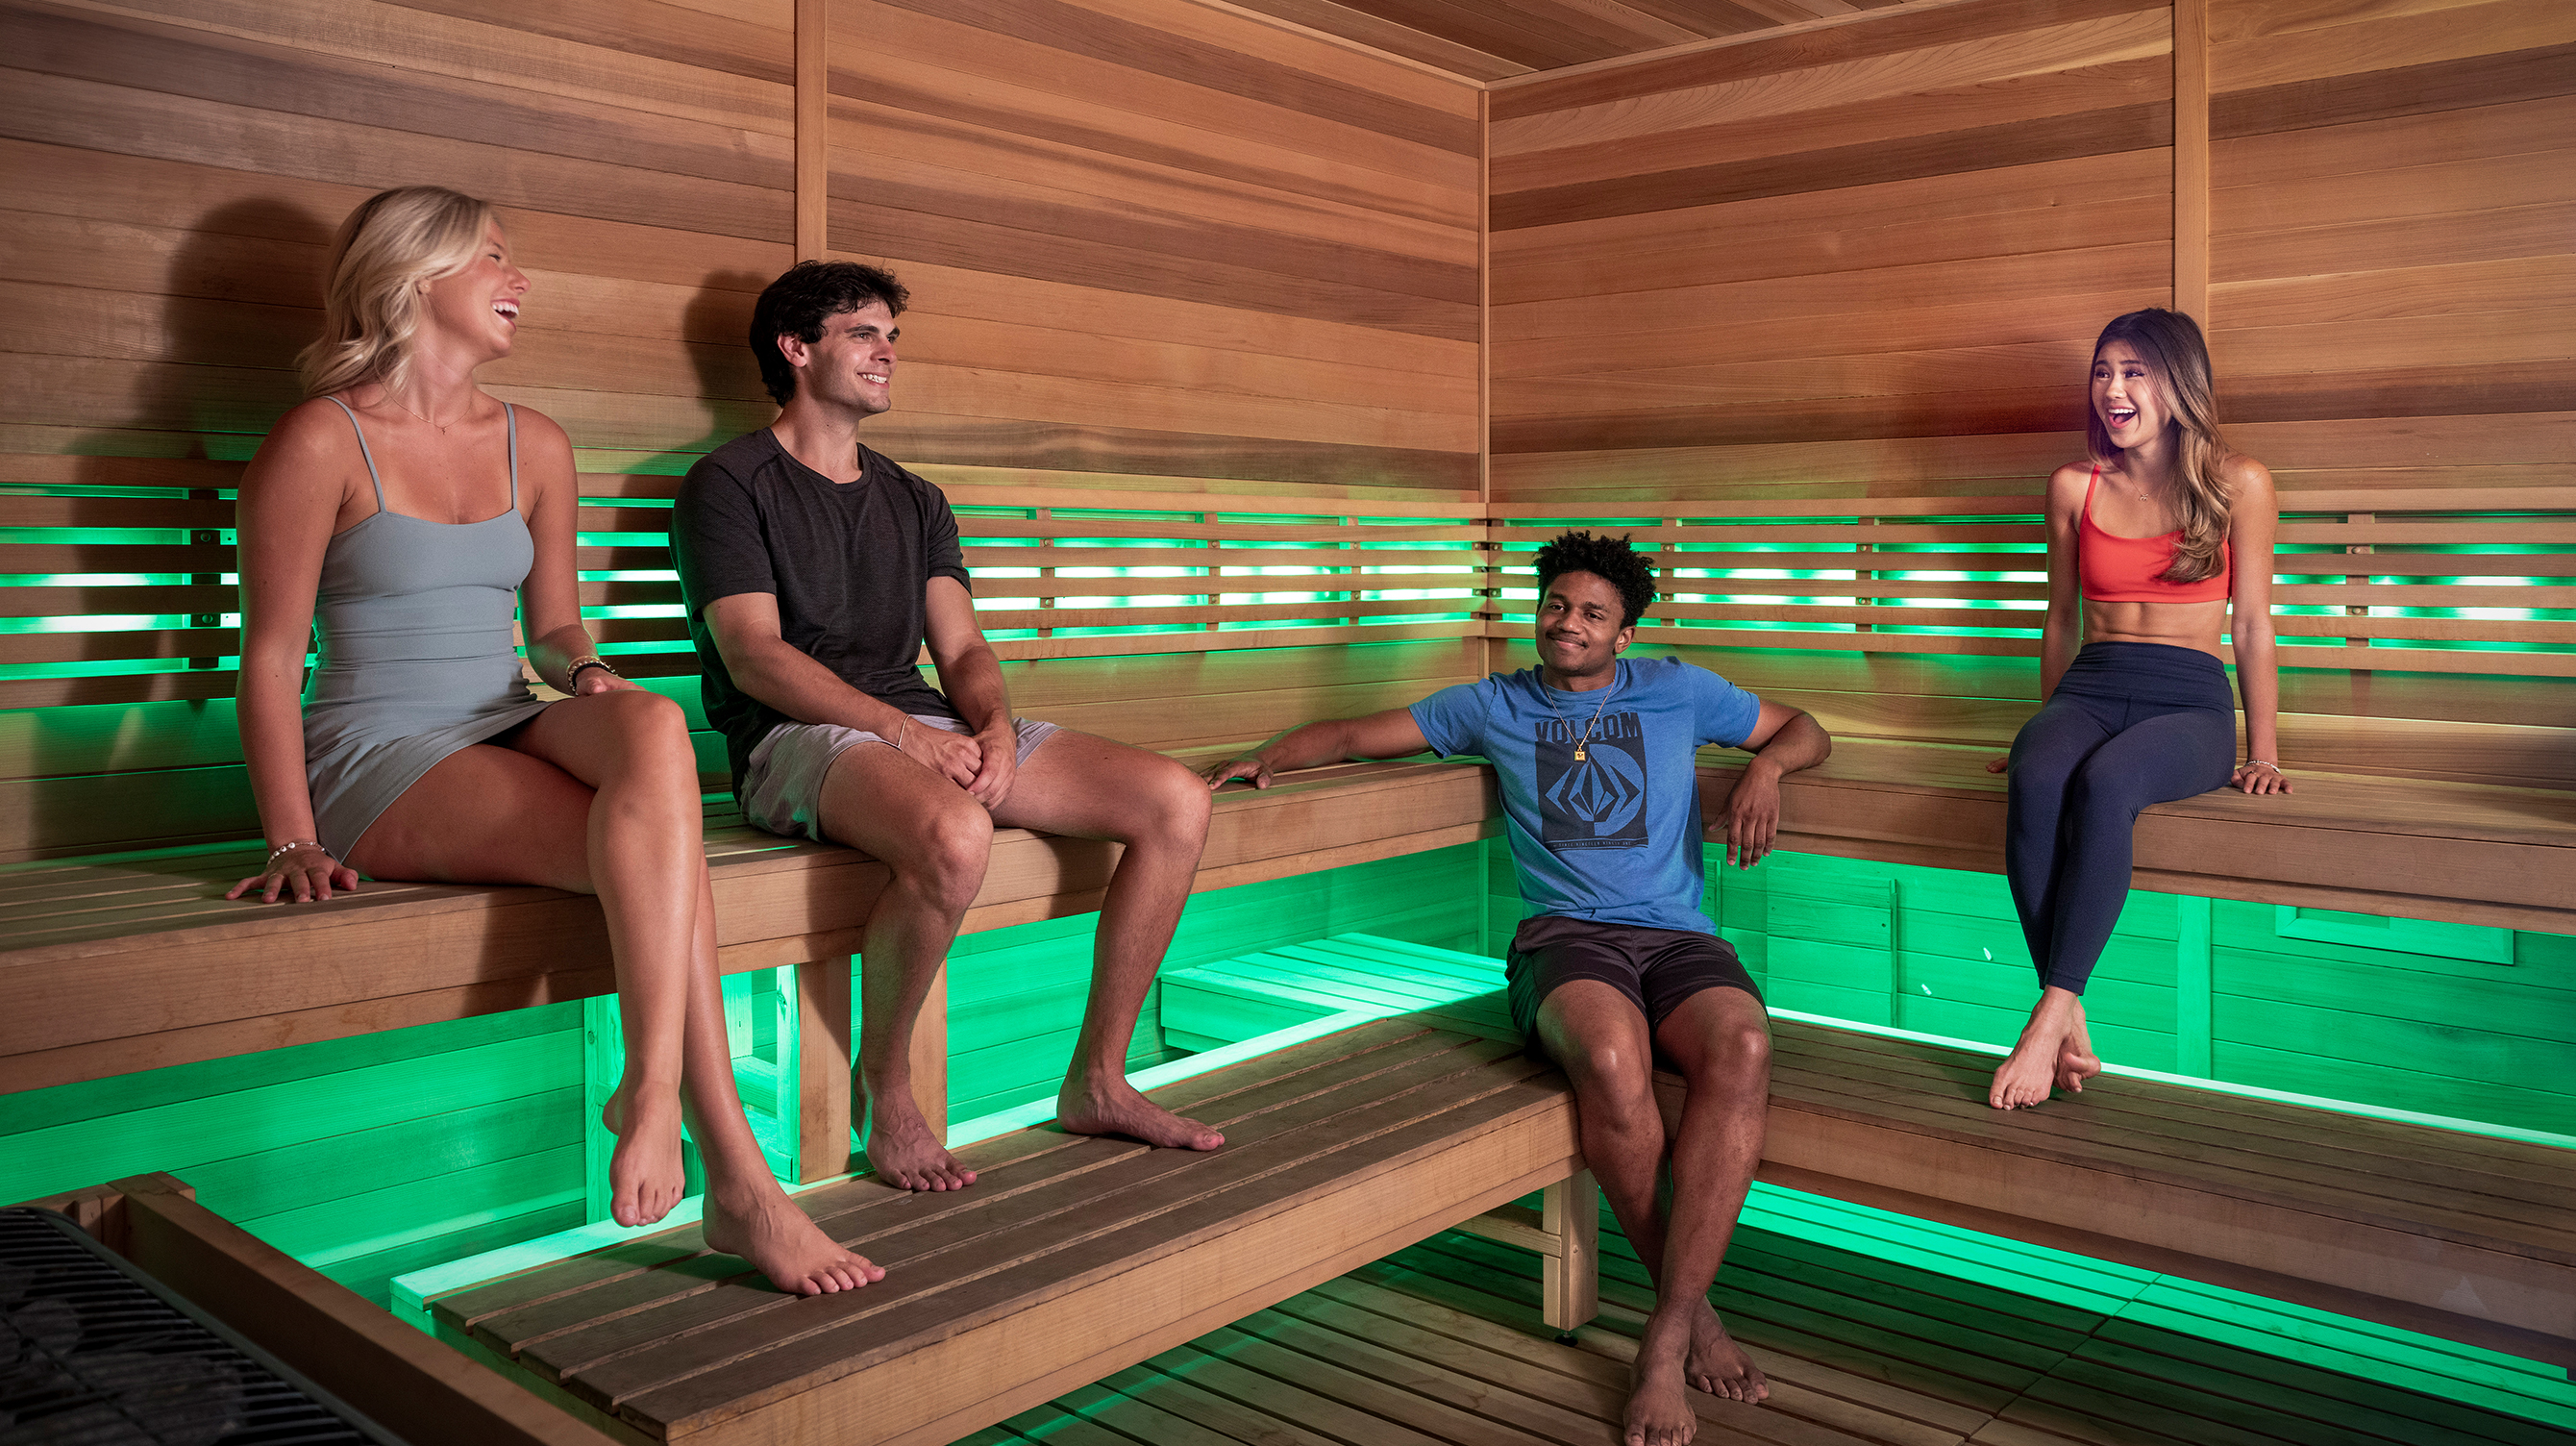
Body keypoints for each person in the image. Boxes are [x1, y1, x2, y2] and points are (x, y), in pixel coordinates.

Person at [226, 187, 879, 1296]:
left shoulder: (534, 440)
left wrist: (586, 672)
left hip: (503, 712)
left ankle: (654, 1092)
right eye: (491, 258)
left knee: (654, 721)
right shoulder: (320, 439)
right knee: (661, 853)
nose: (517, 279)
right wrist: (290, 835)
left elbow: (556, 623)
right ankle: (736, 1174)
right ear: (415, 275)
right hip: (376, 750)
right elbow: (270, 654)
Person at [1205, 532, 1830, 1446]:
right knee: (1613, 1059)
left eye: (1592, 614)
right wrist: (1270, 759)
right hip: (1565, 940)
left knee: (1743, 1048)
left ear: (1625, 633)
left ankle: (1668, 1320)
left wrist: (1768, 768)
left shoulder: (1679, 691)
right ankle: (1683, 1328)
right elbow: (1352, 733)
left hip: (1677, 940)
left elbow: (1803, 726)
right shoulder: (1491, 706)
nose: (1567, 623)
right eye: (1555, 606)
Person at [673, 261, 1221, 1194]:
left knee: (1174, 798)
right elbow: (754, 654)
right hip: (789, 742)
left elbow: (962, 649)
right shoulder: (728, 483)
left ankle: (1098, 1076)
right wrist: (902, 732)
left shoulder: (915, 498)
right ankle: (885, 1091)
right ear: (796, 349)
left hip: (919, 727)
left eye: (892, 335)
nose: (885, 352)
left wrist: (995, 727)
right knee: (957, 832)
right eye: (861, 333)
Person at [1982, 308, 2289, 1110]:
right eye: (2103, 371)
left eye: (2134, 371)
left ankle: (2046, 1021)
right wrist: (2040, 728)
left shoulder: (2238, 483)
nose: (2113, 389)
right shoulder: (2073, 487)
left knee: (2107, 785)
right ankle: (2066, 1007)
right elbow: (2058, 618)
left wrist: (2264, 751)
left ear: (2179, 384)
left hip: (2188, 702)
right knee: (2040, 773)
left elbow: (2254, 625)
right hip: (2091, 685)